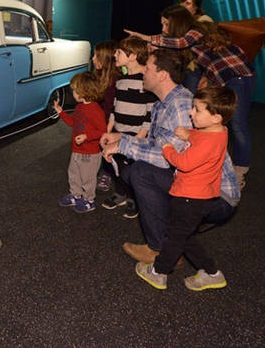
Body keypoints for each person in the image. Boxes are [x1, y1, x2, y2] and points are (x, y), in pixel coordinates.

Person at [101, 49, 240, 263]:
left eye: (147, 68)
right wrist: (121, 138)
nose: (143, 73)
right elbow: (160, 145)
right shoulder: (162, 103)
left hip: (216, 196)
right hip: (196, 185)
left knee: (140, 173)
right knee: (133, 172)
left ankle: (161, 249)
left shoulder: (181, 105)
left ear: (162, 75)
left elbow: (165, 156)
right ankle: (173, 236)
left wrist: (122, 146)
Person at [125, 6, 256, 189]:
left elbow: (180, 43)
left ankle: (239, 171)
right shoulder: (190, 41)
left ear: (177, 23)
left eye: (165, 24)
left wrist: (145, 37)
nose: (163, 29)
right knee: (216, 121)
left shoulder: (196, 31)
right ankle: (214, 166)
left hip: (239, 76)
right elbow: (204, 60)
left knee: (237, 125)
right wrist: (206, 77)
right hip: (224, 78)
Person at [135, 86, 236, 291]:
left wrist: (167, 148)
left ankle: (159, 272)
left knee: (174, 238)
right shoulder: (219, 132)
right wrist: (188, 133)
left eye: (197, 110)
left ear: (216, 117)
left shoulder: (207, 142)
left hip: (190, 197)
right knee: (183, 236)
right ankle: (211, 273)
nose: (191, 113)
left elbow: (184, 162)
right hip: (201, 196)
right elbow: (202, 137)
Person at [101, 36, 156, 219]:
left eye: (118, 52)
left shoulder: (145, 81)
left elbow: (149, 112)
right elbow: (115, 107)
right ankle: (120, 193)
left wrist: (141, 135)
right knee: (116, 165)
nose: (115, 55)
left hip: (136, 135)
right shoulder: (121, 80)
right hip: (118, 132)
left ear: (132, 56)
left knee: (131, 169)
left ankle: (133, 198)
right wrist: (110, 128)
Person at [55, 72, 107, 213]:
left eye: (75, 90)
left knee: (88, 178)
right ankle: (76, 195)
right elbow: (74, 122)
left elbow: (103, 130)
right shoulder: (80, 107)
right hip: (77, 150)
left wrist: (86, 136)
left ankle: (89, 200)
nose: (73, 92)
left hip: (90, 153)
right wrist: (61, 113)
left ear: (85, 90)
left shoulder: (96, 110)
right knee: (73, 174)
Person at [91, 40, 121, 193]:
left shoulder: (115, 81)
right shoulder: (97, 76)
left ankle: (108, 172)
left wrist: (103, 127)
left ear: (105, 59)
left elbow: (110, 109)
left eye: (96, 56)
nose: (93, 59)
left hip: (110, 123)